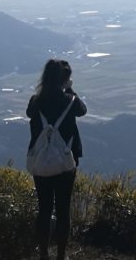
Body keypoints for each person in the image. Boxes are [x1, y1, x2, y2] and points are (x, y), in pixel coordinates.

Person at [27, 59, 87, 260]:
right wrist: (71, 89)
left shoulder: (35, 101)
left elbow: (29, 114)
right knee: (63, 209)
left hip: (41, 164)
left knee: (44, 208)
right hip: (64, 164)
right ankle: (61, 255)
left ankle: (43, 254)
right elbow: (83, 110)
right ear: (64, 80)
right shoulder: (69, 101)